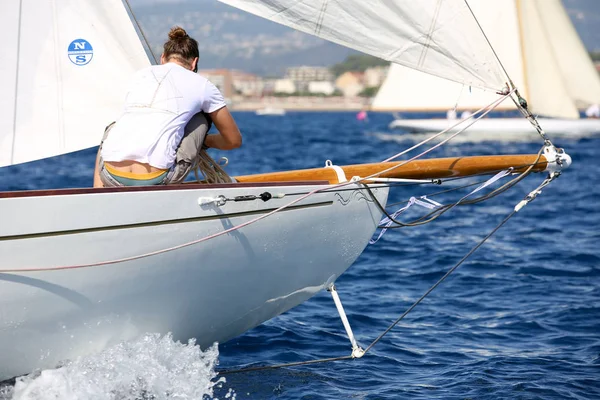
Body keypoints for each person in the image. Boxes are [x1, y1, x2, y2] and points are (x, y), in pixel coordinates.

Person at [93, 26, 241, 187]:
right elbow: (233, 140)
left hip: (109, 175)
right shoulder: (204, 85)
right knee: (200, 119)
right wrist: (204, 142)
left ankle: (98, 192)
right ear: (194, 63)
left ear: (162, 58)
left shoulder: (138, 76)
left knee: (112, 128)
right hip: (157, 180)